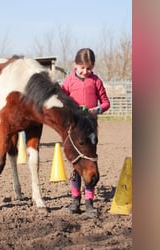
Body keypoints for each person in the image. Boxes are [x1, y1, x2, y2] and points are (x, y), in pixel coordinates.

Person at [61, 48, 110, 217]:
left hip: (90, 129)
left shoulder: (96, 81)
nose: (85, 71)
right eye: (82, 67)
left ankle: (89, 202)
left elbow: (105, 103)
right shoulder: (68, 82)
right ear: (75, 65)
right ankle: (75, 200)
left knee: (89, 162)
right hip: (74, 130)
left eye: (89, 68)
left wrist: (95, 110)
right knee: (76, 165)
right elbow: (61, 99)